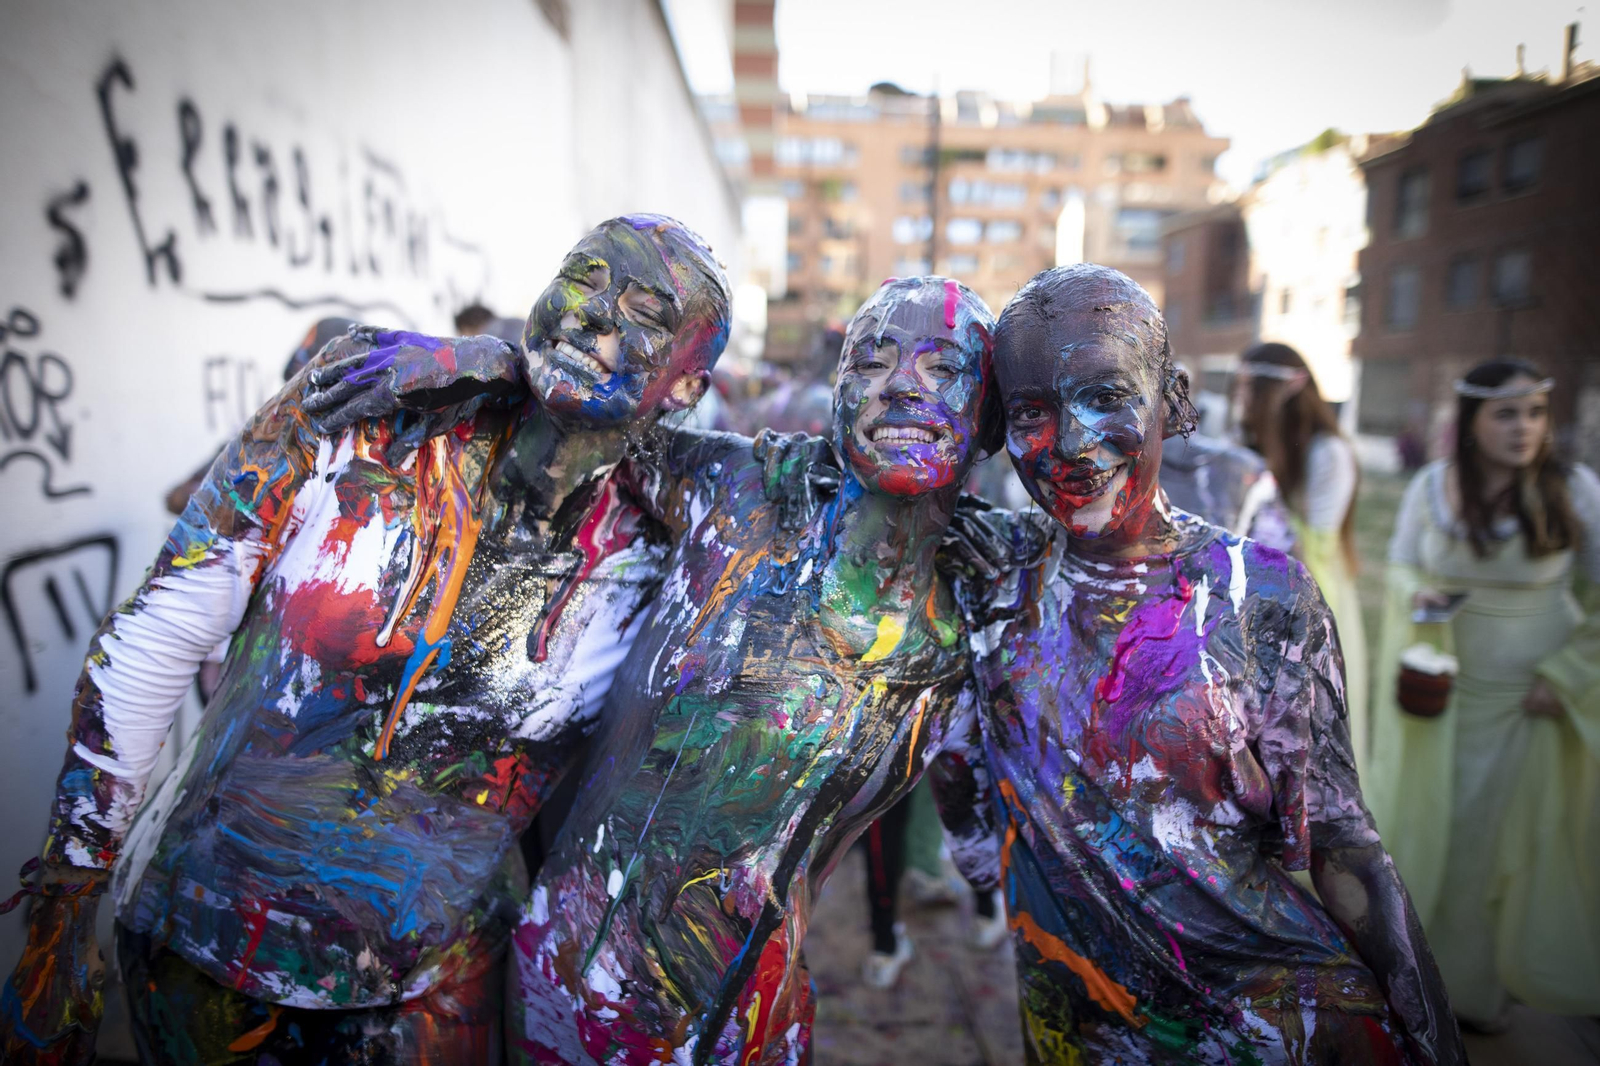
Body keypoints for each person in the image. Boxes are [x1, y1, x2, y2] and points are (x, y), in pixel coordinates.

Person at [0, 215, 732, 1064]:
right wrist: (64, 897)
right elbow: (154, 640)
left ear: (686, 386)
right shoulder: (358, 421)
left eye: (644, 310)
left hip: (435, 982)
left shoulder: (670, 548)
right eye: (584, 275)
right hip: (204, 951)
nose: (594, 314)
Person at [964, 264, 1463, 1064]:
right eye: (1032, 411)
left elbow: (1341, 839)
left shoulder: (1260, 593)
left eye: (1107, 395)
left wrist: (1433, 1033)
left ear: (1169, 396)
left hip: (1259, 1022)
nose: (1071, 444)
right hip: (1070, 1013)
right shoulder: (993, 577)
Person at [506, 277, 1000, 1065]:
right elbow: (588, 406)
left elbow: (984, 844)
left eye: (945, 371)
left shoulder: (975, 625)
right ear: (834, 398)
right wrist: (471, 359)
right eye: (870, 364)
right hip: (561, 973)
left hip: (747, 1017)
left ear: (993, 420)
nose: (902, 386)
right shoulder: (736, 495)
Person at [1367, 358, 1600, 1030]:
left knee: (1520, 839)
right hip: (1449, 690)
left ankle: (1494, 983)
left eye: (1534, 413)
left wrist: (1570, 674)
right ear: (1472, 421)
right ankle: (1440, 976)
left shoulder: (1575, 489)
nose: (1523, 427)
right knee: (1452, 826)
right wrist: (1422, 596)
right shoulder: (1433, 489)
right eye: (1506, 413)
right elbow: (1405, 564)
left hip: (1537, 696)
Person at [1235, 342, 1369, 770]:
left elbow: (1319, 546)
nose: (1242, 402)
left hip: (1312, 601)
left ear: (1280, 392)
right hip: (1258, 603)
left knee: (1307, 740)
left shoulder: (1329, 452)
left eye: (1249, 389)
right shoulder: (1258, 448)